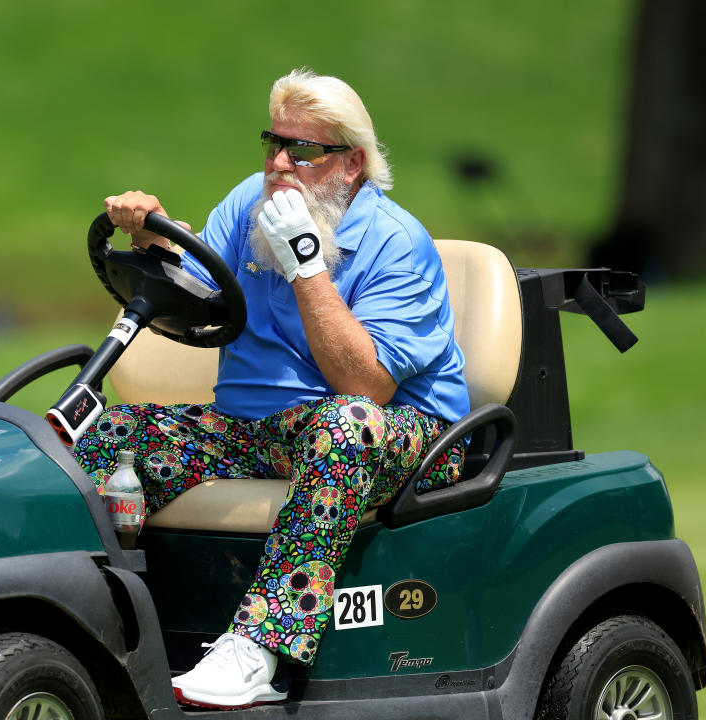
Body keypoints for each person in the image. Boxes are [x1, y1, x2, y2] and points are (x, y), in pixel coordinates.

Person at [74, 68, 470, 710]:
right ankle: (86, 622)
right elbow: (201, 301)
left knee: (344, 426)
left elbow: (363, 384)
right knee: (108, 435)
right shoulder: (248, 205)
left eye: (304, 149)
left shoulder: (397, 243)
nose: (280, 163)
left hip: (402, 433)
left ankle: (260, 647)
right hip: (258, 429)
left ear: (351, 164)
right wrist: (153, 237)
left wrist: (307, 265)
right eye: (273, 142)